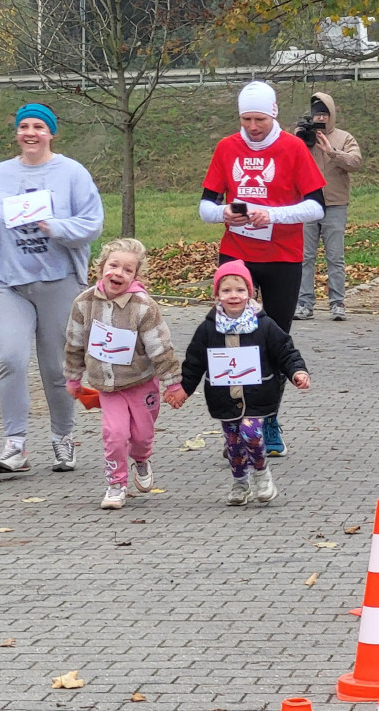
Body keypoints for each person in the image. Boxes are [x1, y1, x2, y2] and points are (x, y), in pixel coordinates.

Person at [0, 102, 104, 475]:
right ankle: (15, 445)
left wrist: (54, 226)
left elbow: (92, 224)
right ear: (16, 132)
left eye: (39, 127)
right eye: (24, 126)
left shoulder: (72, 173)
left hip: (59, 282)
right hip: (8, 283)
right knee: (10, 359)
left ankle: (63, 437)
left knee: (57, 369)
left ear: (51, 133)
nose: (30, 133)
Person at [198, 80, 324, 457]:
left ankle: (268, 418)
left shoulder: (292, 147)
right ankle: (236, 425)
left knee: (273, 340)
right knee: (232, 339)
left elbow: (316, 206)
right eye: (246, 119)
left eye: (260, 119)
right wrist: (226, 214)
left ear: (274, 114)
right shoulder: (226, 148)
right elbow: (204, 206)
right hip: (237, 256)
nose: (253, 127)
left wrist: (272, 214)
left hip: (283, 257)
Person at [165, 261, 310, 505]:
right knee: (232, 443)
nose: (234, 296)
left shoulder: (264, 324)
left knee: (251, 433)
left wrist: (298, 371)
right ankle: (240, 482)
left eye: (240, 290)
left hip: (258, 394)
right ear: (217, 295)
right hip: (224, 396)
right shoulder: (208, 328)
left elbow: (285, 351)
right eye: (227, 291)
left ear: (250, 293)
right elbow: (194, 362)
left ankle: (262, 475)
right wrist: (183, 390)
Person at [63, 238, 183, 510]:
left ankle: (141, 459)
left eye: (127, 270)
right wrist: (73, 377)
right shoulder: (84, 303)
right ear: (101, 267)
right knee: (114, 434)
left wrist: (172, 384)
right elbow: (74, 342)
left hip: (141, 382)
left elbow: (160, 347)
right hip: (108, 386)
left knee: (140, 436)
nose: (118, 273)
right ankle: (116, 484)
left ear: (136, 276)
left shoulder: (143, 307)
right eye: (113, 265)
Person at [294, 92, 363, 322]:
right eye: (317, 115)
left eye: (324, 114)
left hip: (335, 204)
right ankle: (304, 303)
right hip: (307, 204)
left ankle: (337, 303)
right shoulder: (304, 137)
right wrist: (298, 140)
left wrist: (332, 152)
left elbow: (356, 162)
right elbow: (286, 159)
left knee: (335, 256)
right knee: (305, 257)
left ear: (331, 115)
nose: (320, 119)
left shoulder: (344, 138)